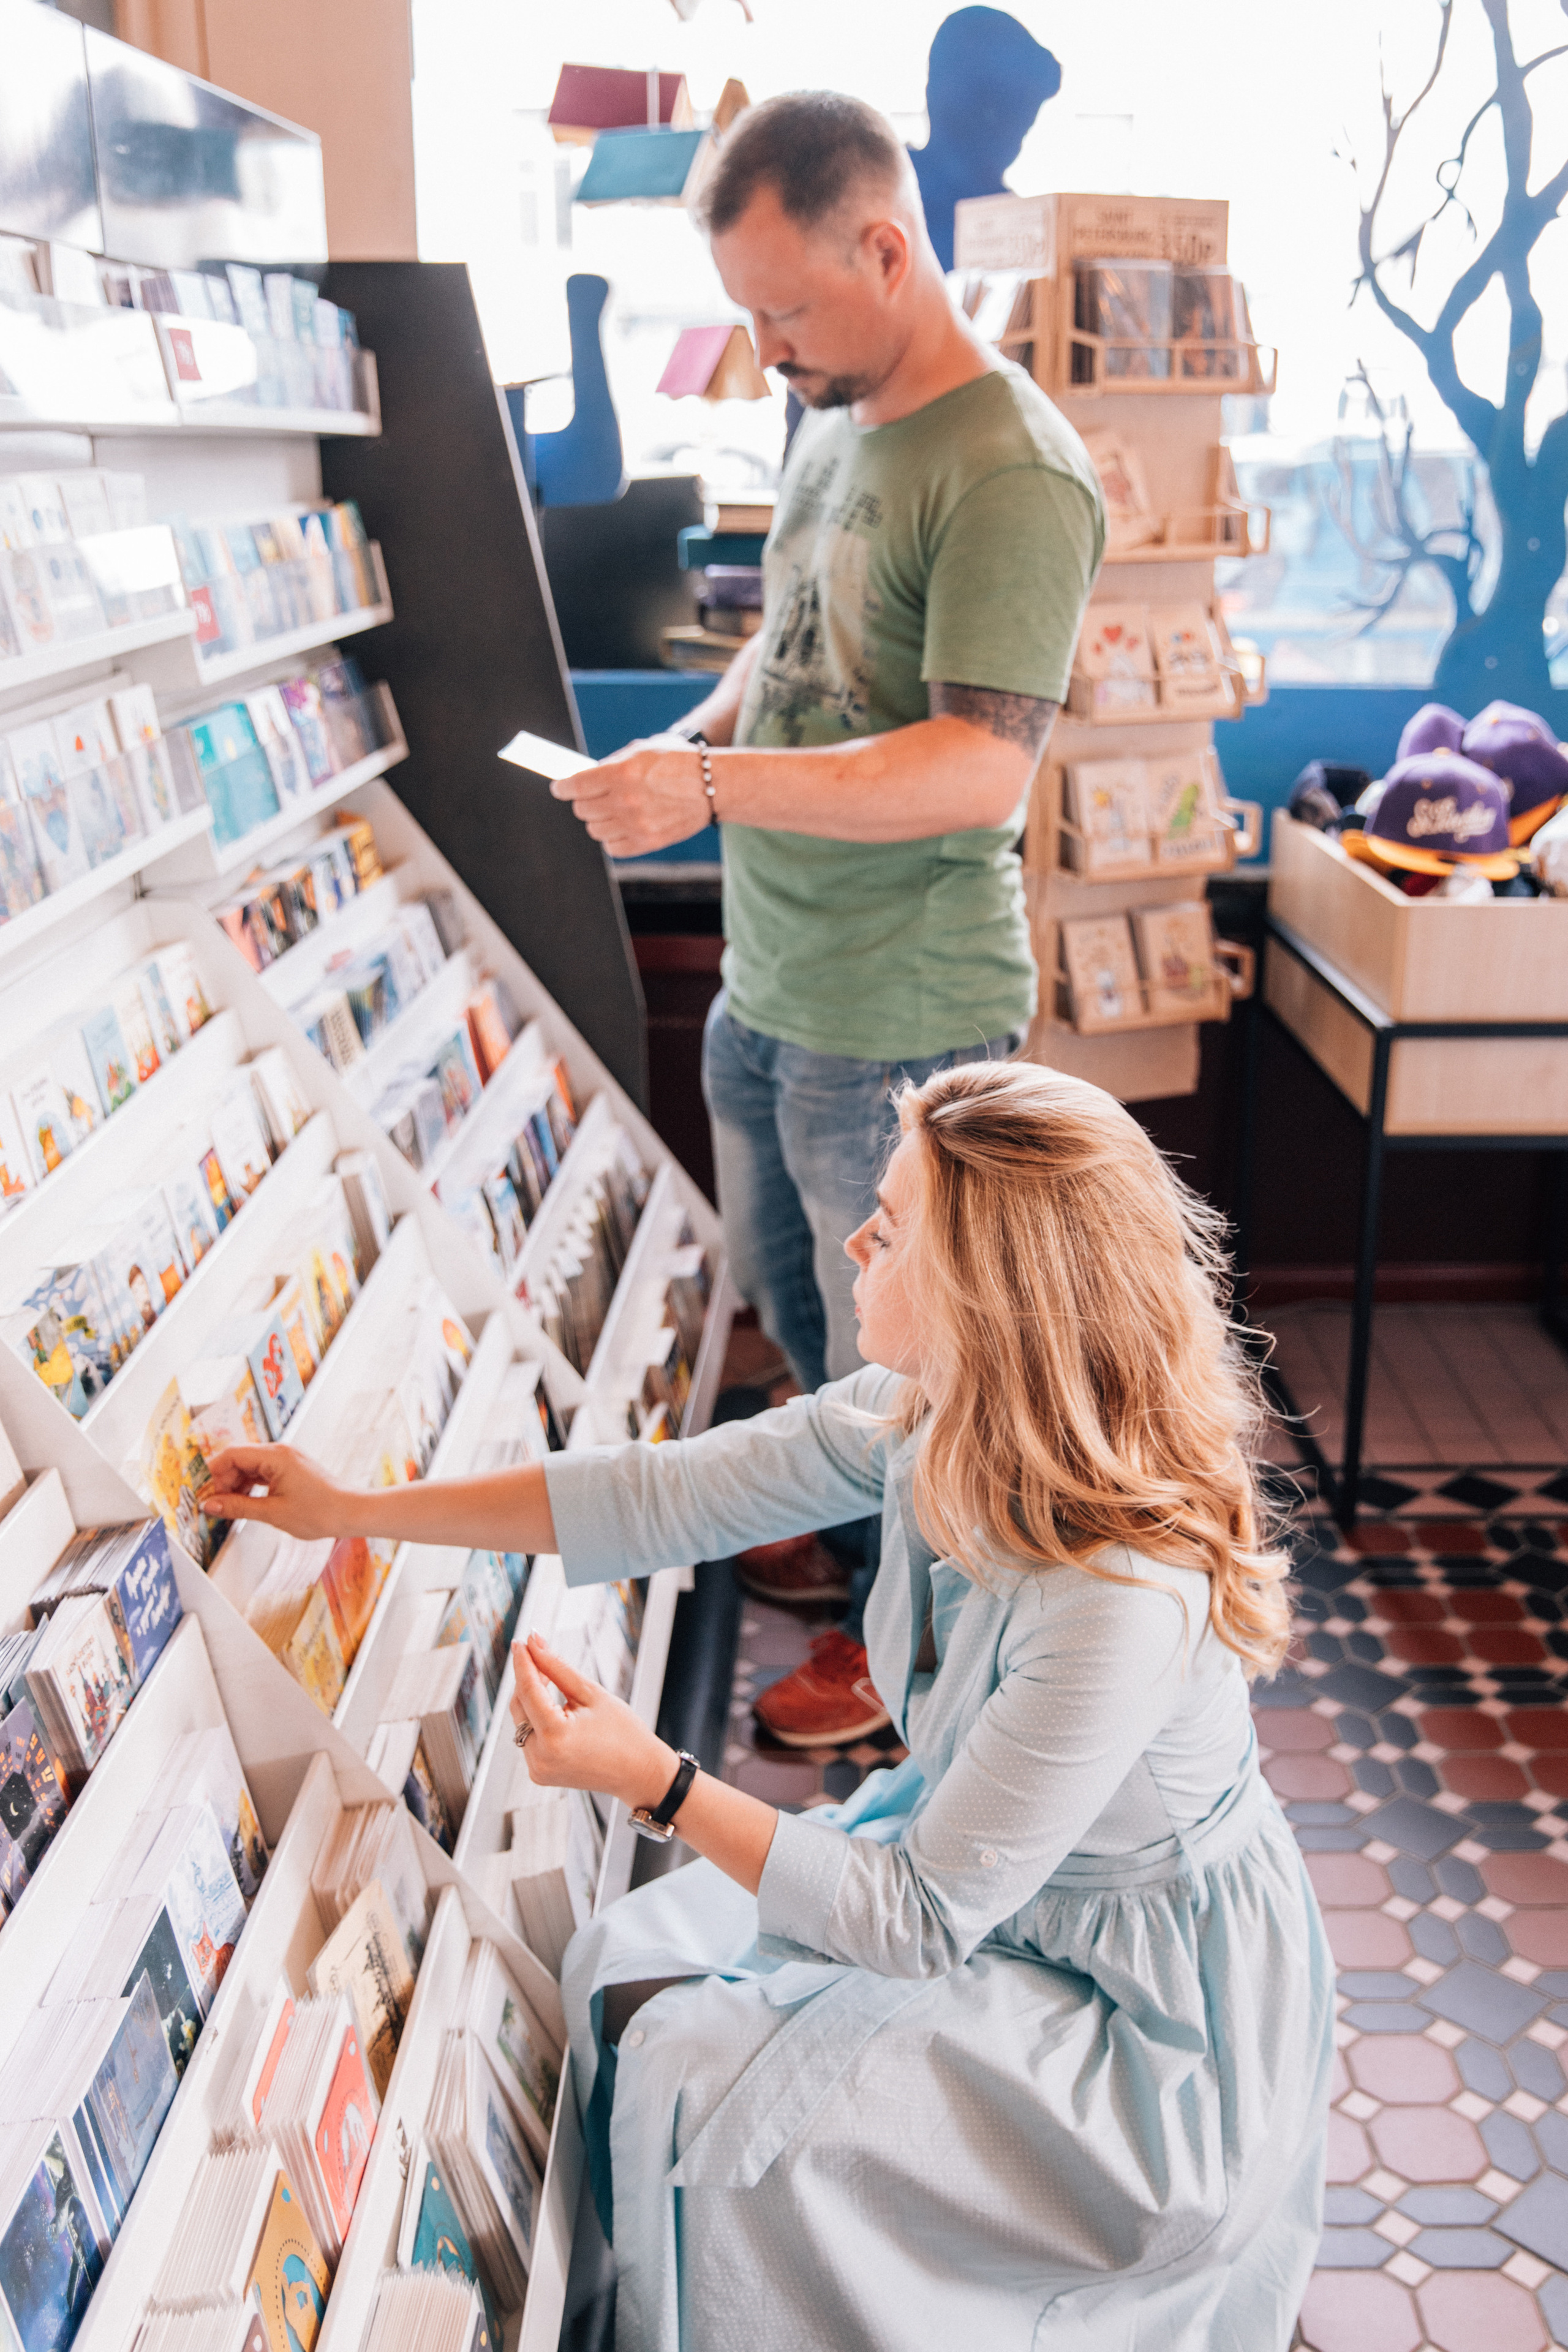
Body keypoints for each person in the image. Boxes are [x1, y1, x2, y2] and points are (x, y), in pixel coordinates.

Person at [204, 1060, 1332, 2352]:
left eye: (893, 1228)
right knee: (626, 1962)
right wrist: (350, 1509)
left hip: (1141, 2022)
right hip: (994, 1895)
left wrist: (661, 1784)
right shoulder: (922, 1417)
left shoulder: (1118, 1598)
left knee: (711, 2088)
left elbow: (912, 1921)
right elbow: (655, 1496)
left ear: (988, 1297)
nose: (852, 1240)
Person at [548, 92, 1106, 1743]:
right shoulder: (837, 423)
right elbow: (791, 649)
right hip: (771, 977)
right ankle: (872, 1560)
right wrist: (699, 739)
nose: (768, 348)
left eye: (785, 311)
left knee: (920, 1383)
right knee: (810, 1331)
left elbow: (975, 772)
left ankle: (916, 1655)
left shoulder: (1008, 468)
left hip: (902, 1011)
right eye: (745, 315)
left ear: (887, 245)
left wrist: (710, 800)